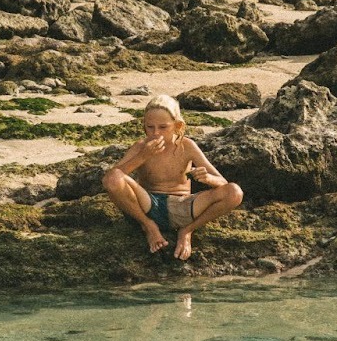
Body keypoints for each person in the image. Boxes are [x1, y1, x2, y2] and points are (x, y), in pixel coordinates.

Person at [102, 93, 244, 261]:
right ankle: (149, 227)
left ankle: (187, 231)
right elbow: (110, 179)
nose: (156, 133)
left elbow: (223, 183)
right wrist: (142, 156)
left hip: (184, 207)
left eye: (163, 127)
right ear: (143, 126)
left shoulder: (187, 146)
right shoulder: (141, 147)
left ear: (177, 126)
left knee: (235, 192)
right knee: (114, 179)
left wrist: (208, 179)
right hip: (148, 205)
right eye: (150, 127)